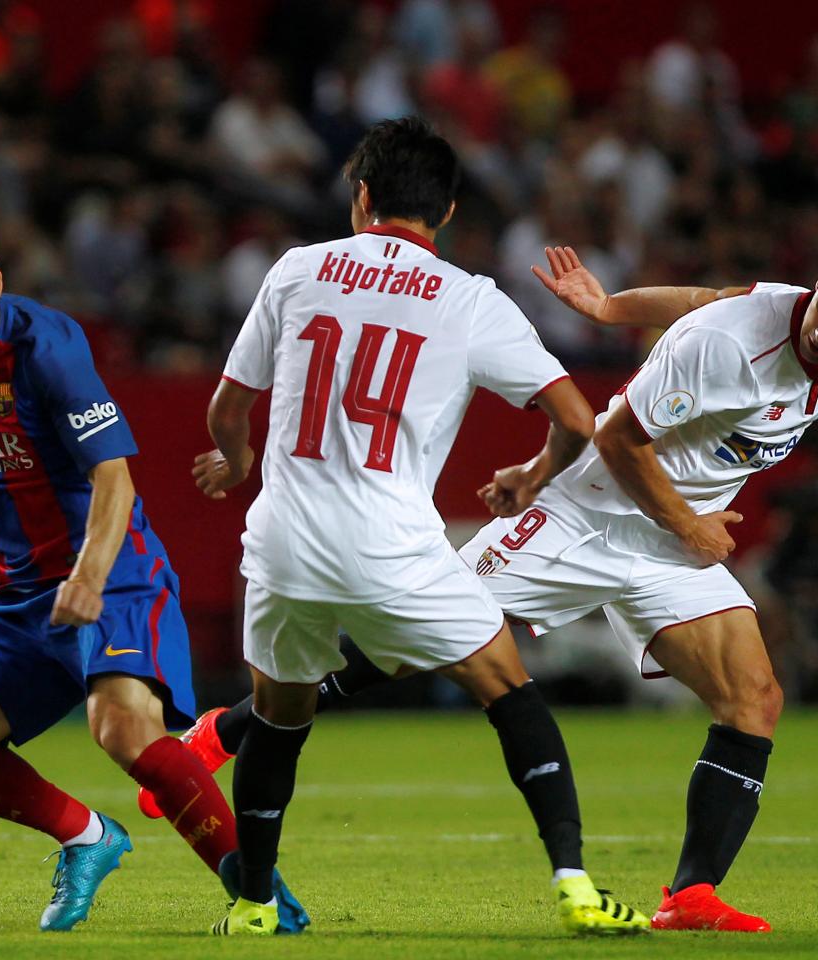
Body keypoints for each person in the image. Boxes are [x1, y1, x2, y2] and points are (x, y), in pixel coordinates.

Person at [172, 228, 818, 934]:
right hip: (587, 518)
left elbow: (710, 294)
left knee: (755, 700)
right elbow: (619, 436)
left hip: (667, 548)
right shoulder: (725, 349)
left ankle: (691, 894)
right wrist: (689, 523)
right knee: (411, 646)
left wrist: (610, 308)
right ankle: (225, 732)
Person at [193, 117, 648, 936]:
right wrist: (531, 475)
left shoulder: (297, 270)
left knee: (278, 721)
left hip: (286, 539)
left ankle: (255, 904)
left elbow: (228, 407)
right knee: (508, 691)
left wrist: (236, 460)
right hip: (392, 544)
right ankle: (576, 884)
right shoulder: (470, 297)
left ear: (362, 197)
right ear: (445, 210)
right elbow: (577, 420)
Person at [0, 205, 309, 933]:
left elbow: (115, 477)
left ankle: (261, 896)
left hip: (112, 571)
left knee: (121, 731)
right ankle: (87, 837)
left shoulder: (48, 348)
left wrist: (87, 575)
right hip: (18, 595)